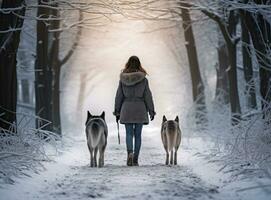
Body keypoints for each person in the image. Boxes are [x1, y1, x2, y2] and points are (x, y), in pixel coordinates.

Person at [113, 55, 156, 166]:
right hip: (140, 108)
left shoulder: (122, 79)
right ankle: (135, 158)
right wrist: (151, 110)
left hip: (126, 108)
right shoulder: (144, 80)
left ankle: (129, 154)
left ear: (128, 64)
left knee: (128, 133)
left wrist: (117, 110)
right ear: (139, 64)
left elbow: (119, 96)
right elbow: (148, 96)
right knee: (138, 135)